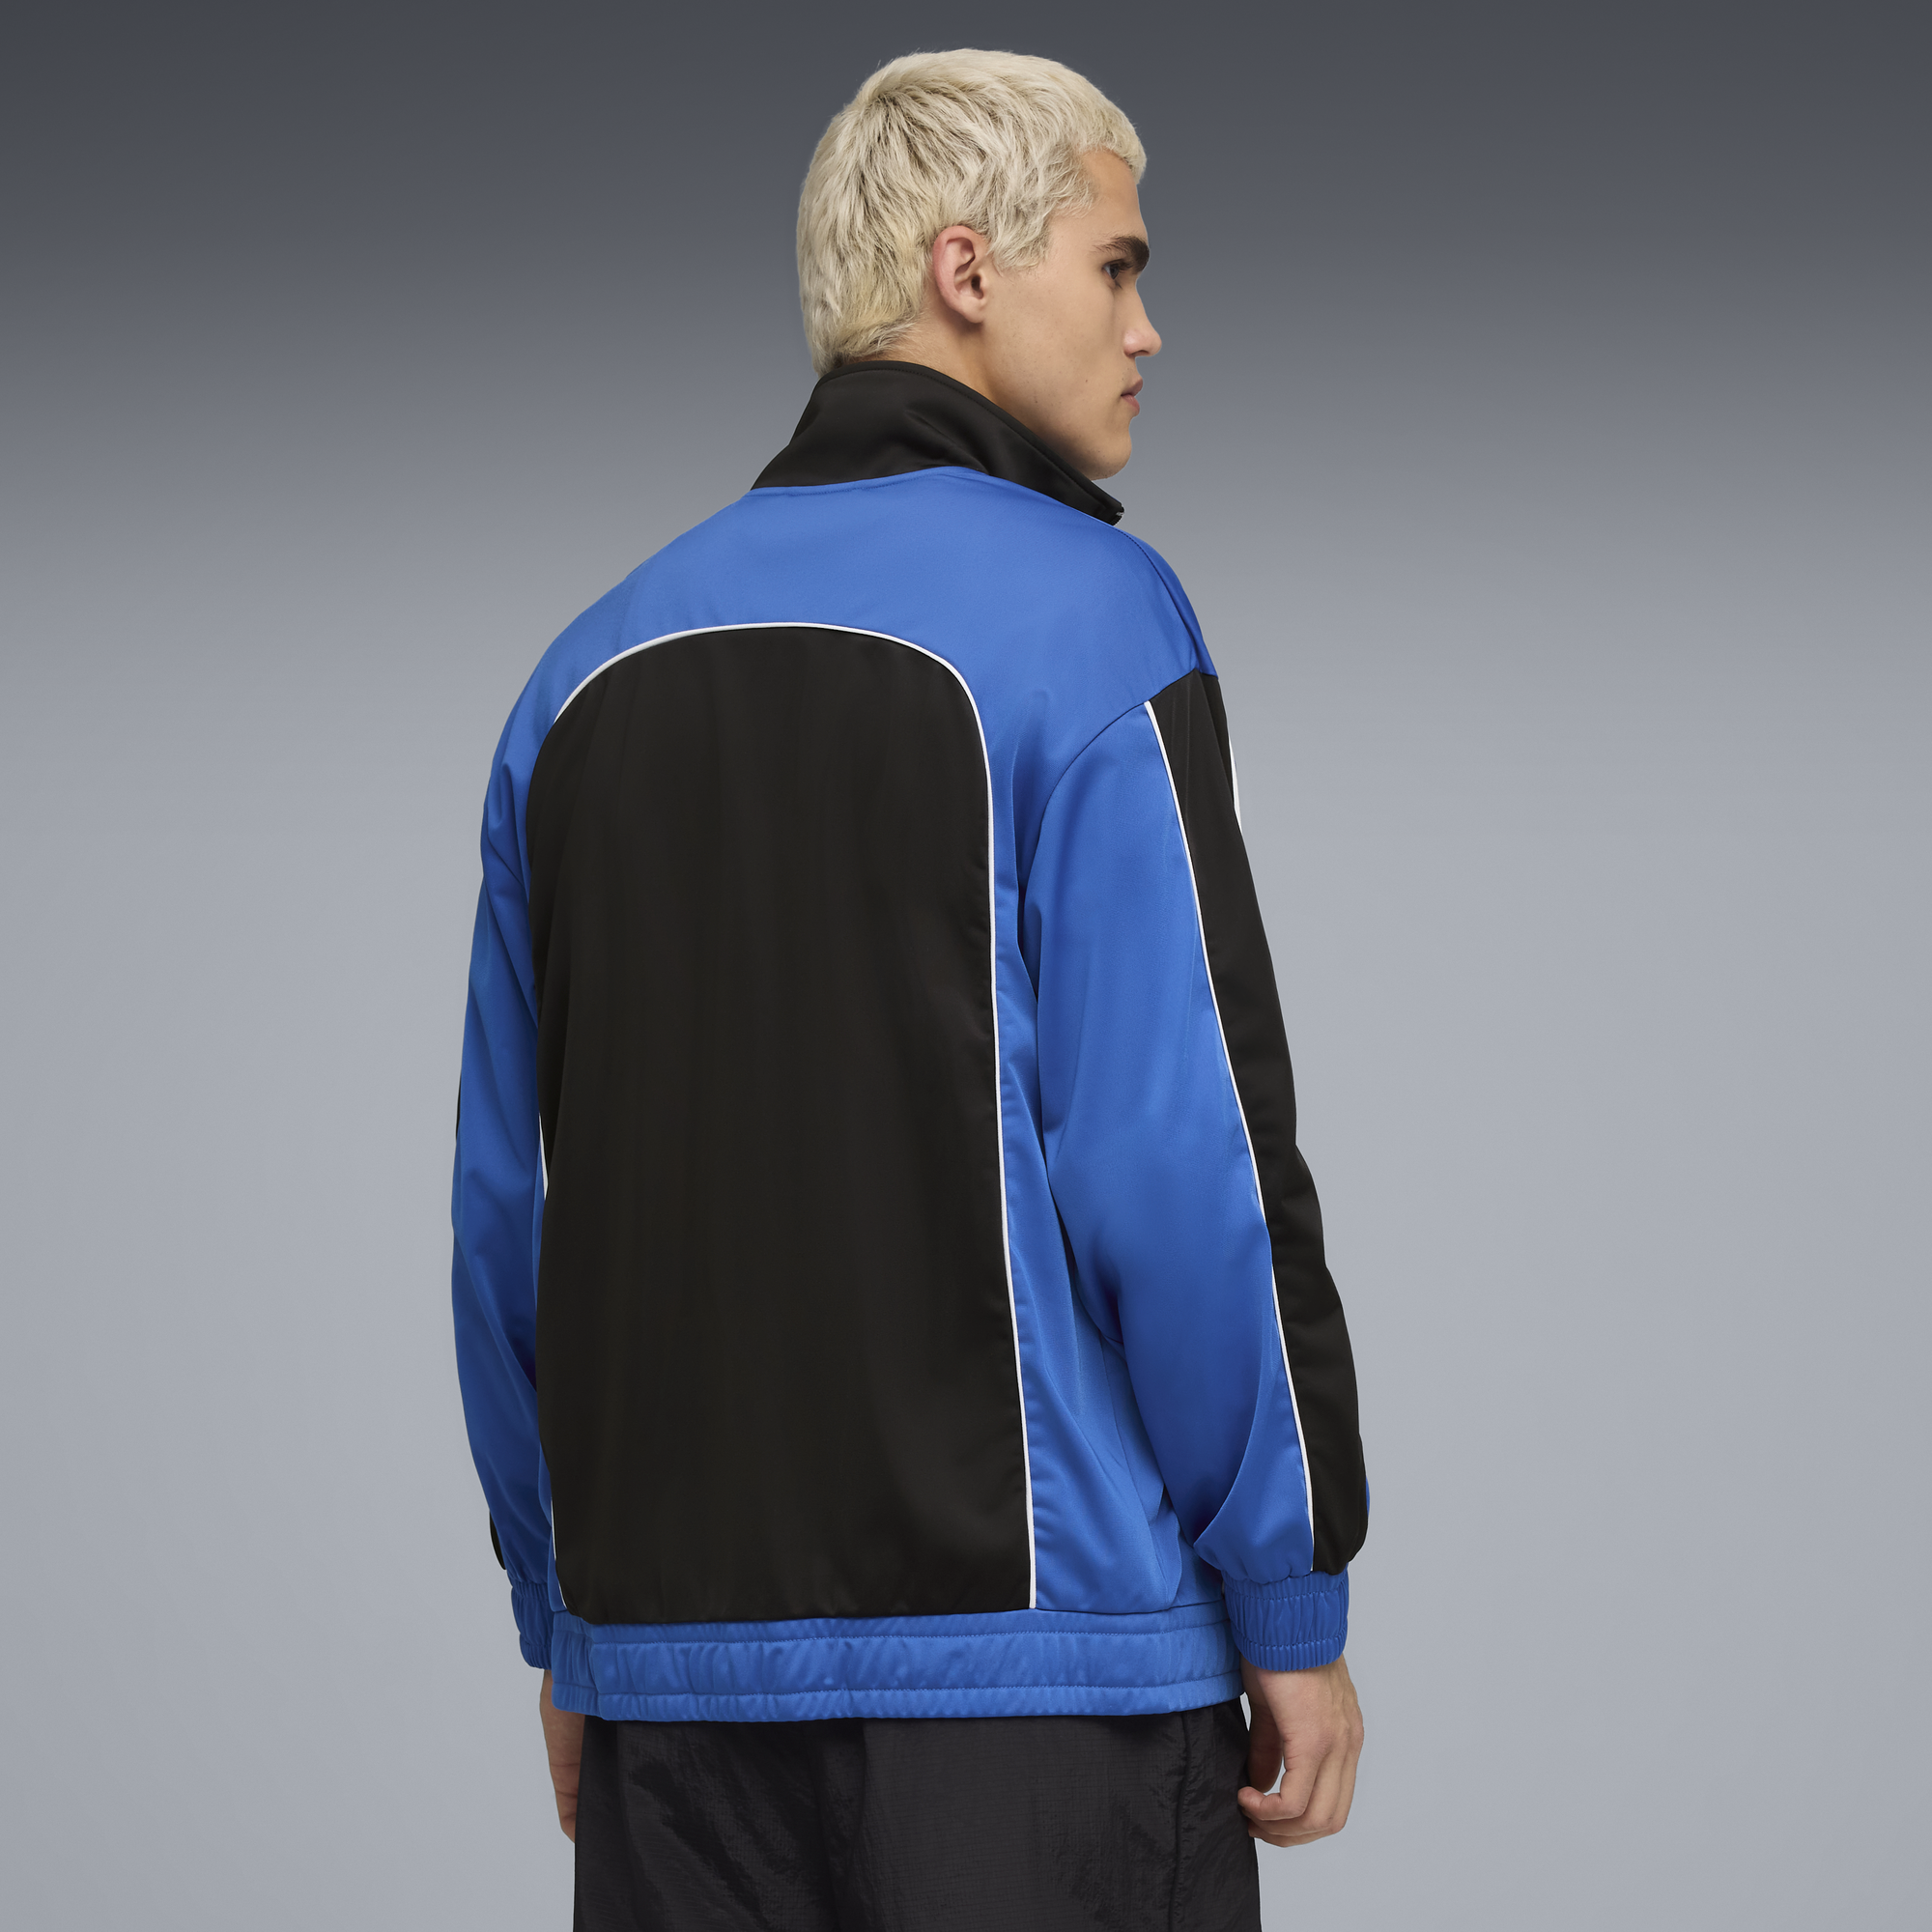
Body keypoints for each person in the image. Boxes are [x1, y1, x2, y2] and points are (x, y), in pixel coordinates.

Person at [451, 48, 1368, 1930]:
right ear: (967, 270)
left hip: (671, 1715)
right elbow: (1184, 1156)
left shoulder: (581, 680)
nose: (1149, 329)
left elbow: (509, 1213)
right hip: (1042, 1700)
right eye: (1116, 268)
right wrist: (1289, 1592)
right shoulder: (1092, 620)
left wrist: (567, 1622)